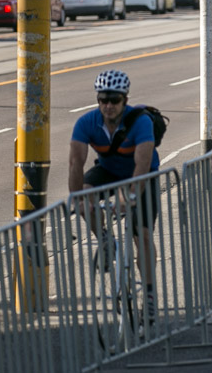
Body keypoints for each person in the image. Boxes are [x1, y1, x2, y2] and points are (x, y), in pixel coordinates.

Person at [69, 69, 160, 326]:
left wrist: (128, 198)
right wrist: (76, 199)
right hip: (108, 170)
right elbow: (75, 163)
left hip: (142, 175)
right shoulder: (86, 123)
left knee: (141, 234)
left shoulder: (140, 122)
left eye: (114, 100)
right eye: (102, 99)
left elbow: (141, 167)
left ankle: (150, 296)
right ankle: (106, 240)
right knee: (84, 195)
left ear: (125, 99)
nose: (108, 105)